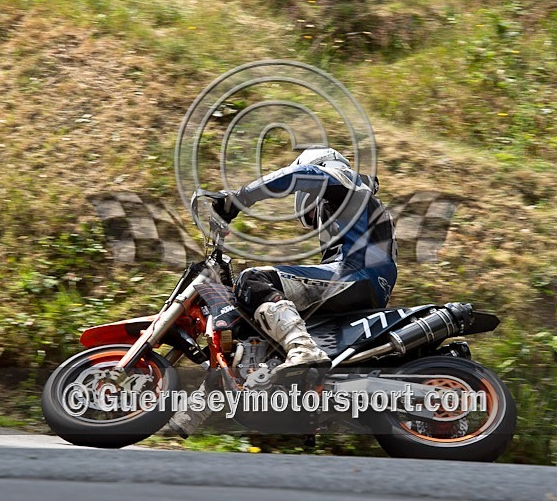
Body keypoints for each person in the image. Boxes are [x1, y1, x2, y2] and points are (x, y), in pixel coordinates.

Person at [168, 146, 398, 438]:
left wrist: (238, 199)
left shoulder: (345, 181)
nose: (309, 213)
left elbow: (302, 175)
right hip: (363, 280)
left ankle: (304, 349)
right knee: (253, 332)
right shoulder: (353, 210)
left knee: (254, 279)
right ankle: (186, 417)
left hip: (356, 274)